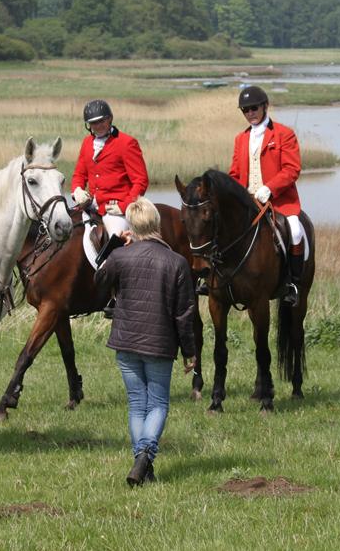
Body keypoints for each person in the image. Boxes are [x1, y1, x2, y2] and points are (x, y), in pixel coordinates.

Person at [95, 197, 198, 487]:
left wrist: (112, 247)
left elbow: (98, 282)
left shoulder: (119, 257)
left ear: (131, 226)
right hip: (159, 345)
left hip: (125, 343)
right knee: (158, 405)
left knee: (137, 405)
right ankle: (144, 456)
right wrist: (190, 352)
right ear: (157, 224)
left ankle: (143, 464)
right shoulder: (177, 262)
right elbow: (184, 313)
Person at [228, 85, 305, 305]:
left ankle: (293, 284)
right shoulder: (240, 139)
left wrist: (269, 188)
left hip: (279, 201)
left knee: (296, 231)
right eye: (245, 110)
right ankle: (217, 279)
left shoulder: (284, 134)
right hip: (247, 202)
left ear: (265, 106)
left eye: (253, 108)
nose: (250, 113)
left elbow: (292, 169)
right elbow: (234, 173)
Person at [71, 99, 149, 264]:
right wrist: (77, 190)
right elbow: (79, 174)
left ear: (110, 119)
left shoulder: (127, 143)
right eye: (93, 123)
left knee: (114, 247)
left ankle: (118, 285)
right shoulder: (86, 143)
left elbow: (140, 181)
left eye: (101, 121)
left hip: (116, 211)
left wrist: (124, 206)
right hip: (91, 206)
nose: (98, 125)